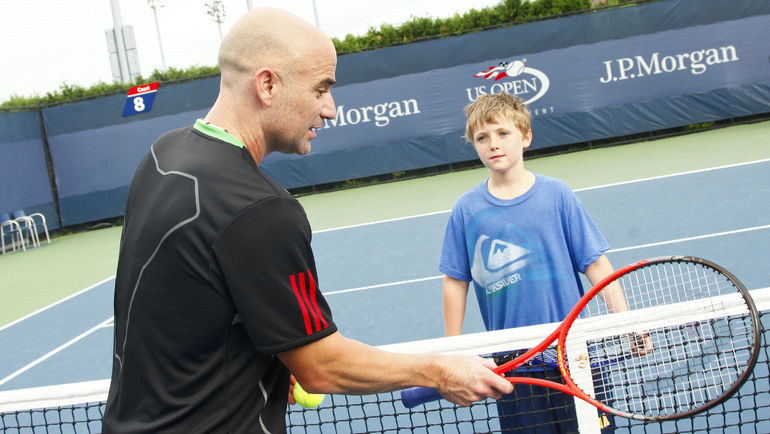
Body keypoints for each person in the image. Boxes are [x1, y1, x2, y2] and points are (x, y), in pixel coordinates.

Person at [101, 8, 512, 433]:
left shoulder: (162, 156)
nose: (330, 109)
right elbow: (322, 366)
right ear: (267, 85)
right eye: (321, 89)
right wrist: (439, 372)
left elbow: (189, 304)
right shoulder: (259, 210)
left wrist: (273, 348)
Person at [439, 93, 619, 433]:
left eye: (503, 133)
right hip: (514, 367)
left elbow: (595, 263)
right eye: (482, 137)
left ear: (526, 137)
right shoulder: (466, 210)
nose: (493, 144)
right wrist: (454, 350)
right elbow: (455, 281)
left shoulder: (558, 194)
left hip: (575, 357)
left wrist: (626, 322)